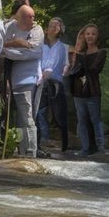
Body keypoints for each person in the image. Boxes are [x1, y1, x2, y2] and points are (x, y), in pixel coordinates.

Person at [0, 4, 44, 158]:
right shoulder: (10, 26)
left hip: (29, 78)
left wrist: (9, 50)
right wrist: (15, 43)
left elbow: (34, 52)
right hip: (11, 79)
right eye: (28, 17)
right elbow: (0, 46)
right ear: (19, 17)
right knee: (17, 118)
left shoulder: (37, 30)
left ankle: (31, 151)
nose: (32, 20)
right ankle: (20, 149)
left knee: (27, 116)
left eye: (33, 16)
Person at [69, 23, 107, 156]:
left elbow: (94, 69)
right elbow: (74, 71)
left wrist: (80, 55)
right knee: (82, 120)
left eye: (93, 34)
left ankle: (100, 147)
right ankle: (85, 148)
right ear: (84, 36)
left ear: (97, 36)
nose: (90, 36)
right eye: (87, 34)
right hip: (78, 92)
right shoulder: (80, 53)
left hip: (93, 91)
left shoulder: (101, 52)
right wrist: (77, 52)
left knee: (95, 119)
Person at [36, 17, 69, 154]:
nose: (54, 27)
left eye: (58, 25)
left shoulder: (63, 47)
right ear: (46, 29)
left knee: (59, 116)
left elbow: (59, 64)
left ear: (61, 29)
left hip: (55, 84)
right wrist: (40, 75)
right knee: (40, 113)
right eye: (52, 25)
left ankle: (65, 147)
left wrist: (48, 73)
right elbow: (36, 61)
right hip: (40, 82)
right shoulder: (40, 45)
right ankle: (41, 143)